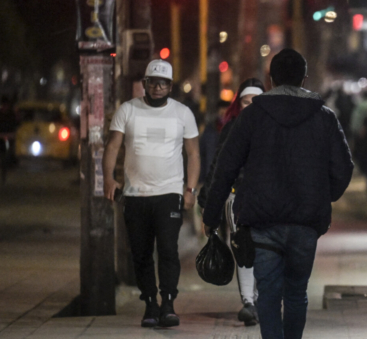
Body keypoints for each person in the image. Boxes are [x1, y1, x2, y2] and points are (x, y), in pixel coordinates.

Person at [202, 48, 354, 339]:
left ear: (269, 80)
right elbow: (343, 168)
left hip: (262, 221)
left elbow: (225, 167)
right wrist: (323, 196)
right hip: (305, 221)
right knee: (296, 291)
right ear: (304, 79)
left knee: (269, 293)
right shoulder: (324, 117)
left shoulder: (252, 117)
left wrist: (210, 214)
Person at [102, 59, 200, 328]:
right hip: (135, 195)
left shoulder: (182, 113)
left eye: (163, 82)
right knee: (141, 253)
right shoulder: (128, 110)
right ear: (144, 84)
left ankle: (168, 303)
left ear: (170, 85)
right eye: (153, 82)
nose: (158, 87)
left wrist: (189, 189)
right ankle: (150, 305)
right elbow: (112, 147)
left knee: (168, 250)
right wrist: (109, 179)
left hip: (169, 192)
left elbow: (193, 153)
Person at [198, 77, 265, 326]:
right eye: (246, 102)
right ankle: (249, 302)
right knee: (243, 248)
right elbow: (218, 166)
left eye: (256, 101)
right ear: (239, 104)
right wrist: (207, 203)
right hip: (237, 198)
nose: (251, 106)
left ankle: (259, 299)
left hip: (268, 200)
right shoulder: (232, 128)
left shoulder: (274, 127)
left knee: (266, 249)